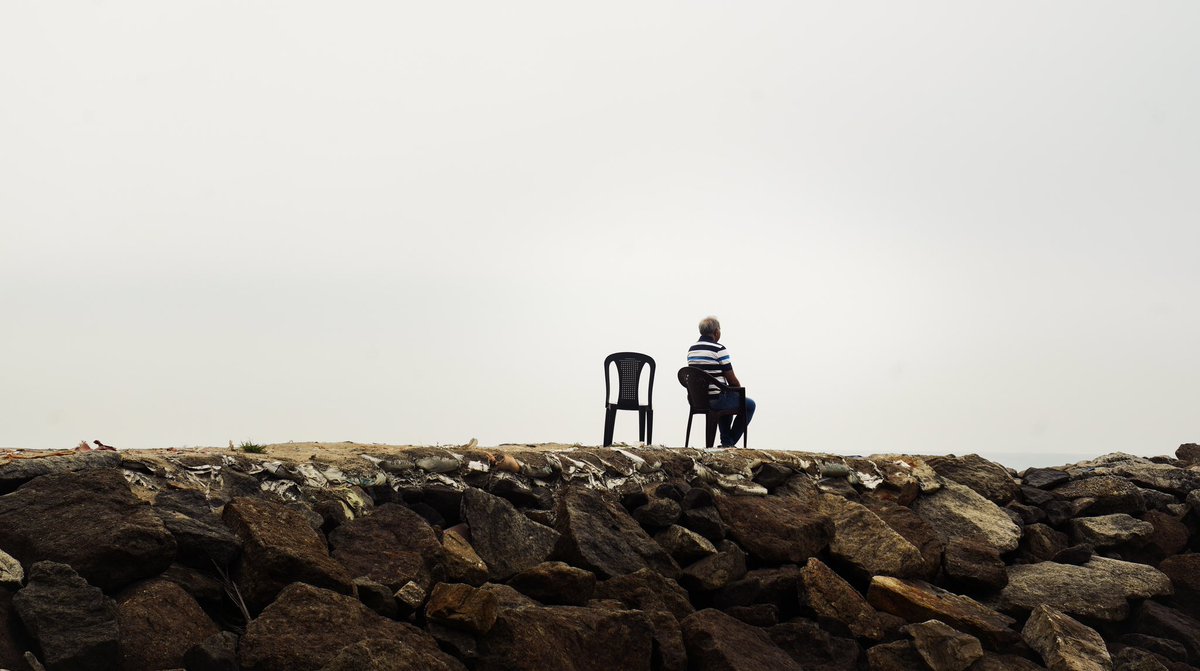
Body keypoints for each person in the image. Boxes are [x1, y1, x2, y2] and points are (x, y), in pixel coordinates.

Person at [687, 316, 755, 447]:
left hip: (697, 399)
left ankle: (726, 442)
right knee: (749, 405)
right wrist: (737, 391)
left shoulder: (692, 350)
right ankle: (728, 442)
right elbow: (731, 378)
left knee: (726, 395)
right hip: (716, 400)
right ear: (716, 332)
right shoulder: (718, 349)